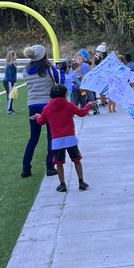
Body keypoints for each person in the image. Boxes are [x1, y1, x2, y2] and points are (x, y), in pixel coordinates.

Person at [32, 83, 92, 192]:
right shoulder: (69, 105)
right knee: (77, 160)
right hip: (70, 138)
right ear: (65, 94)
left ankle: (62, 184)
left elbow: (41, 121)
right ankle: (81, 181)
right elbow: (81, 113)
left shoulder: (47, 108)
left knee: (59, 163)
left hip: (57, 140)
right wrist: (88, 105)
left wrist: (37, 116)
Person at [21, 45, 64, 178]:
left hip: (32, 104)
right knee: (51, 136)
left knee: (33, 138)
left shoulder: (26, 70)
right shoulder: (49, 69)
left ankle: (26, 168)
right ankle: (50, 167)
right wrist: (60, 71)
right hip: (48, 104)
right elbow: (59, 81)